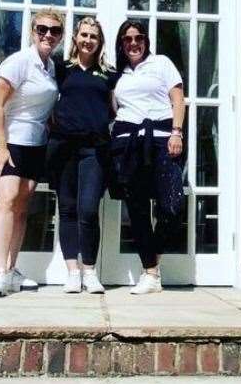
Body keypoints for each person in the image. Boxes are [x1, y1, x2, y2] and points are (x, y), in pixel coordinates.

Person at [0, 8, 64, 297]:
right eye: (42, 29)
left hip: (36, 144)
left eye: (55, 30)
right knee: (5, 201)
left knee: (21, 207)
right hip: (11, 142)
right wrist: (1, 146)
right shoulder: (18, 62)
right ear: (33, 31)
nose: (48, 35)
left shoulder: (50, 66)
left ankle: (12, 268)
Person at [110, 20, 186, 295]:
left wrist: (176, 132)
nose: (133, 43)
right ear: (121, 43)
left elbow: (178, 99)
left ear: (146, 40)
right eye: (127, 38)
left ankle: (152, 259)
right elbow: (113, 108)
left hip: (163, 137)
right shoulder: (118, 74)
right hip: (127, 142)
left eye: (138, 37)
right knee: (138, 208)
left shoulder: (162, 63)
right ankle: (151, 274)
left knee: (172, 206)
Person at [46, 17, 114, 294]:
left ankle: (90, 271)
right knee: (68, 210)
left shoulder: (109, 73)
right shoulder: (61, 69)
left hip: (94, 149)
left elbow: (117, 108)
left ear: (100, 42)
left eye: (93, 37)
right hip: (64, 147)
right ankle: (73, 272)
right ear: (75, 38)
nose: (88, 40)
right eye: (84, 35)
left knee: (88, 210)